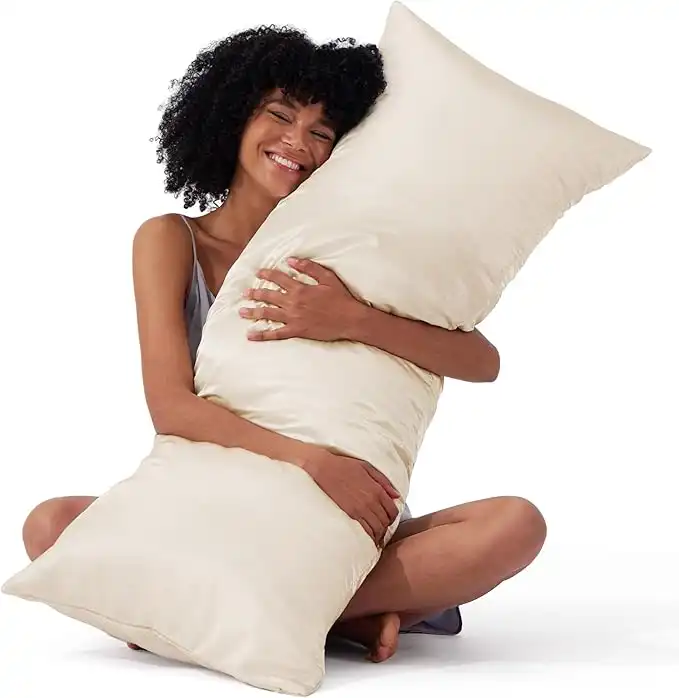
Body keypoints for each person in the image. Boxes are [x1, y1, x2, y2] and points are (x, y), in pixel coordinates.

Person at [21, 26, 547, 664]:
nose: (298, 141)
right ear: (232, 116)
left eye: (322, 132)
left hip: (341, 509)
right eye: (280, 114)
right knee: (50, 525)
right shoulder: (171, 241)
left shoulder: (344, 250)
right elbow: (171, 407)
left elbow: (482, 362)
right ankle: (342, 618)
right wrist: (311, 462)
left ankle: (213, 612)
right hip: (223, 494)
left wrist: (350, 318)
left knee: (516, 525)